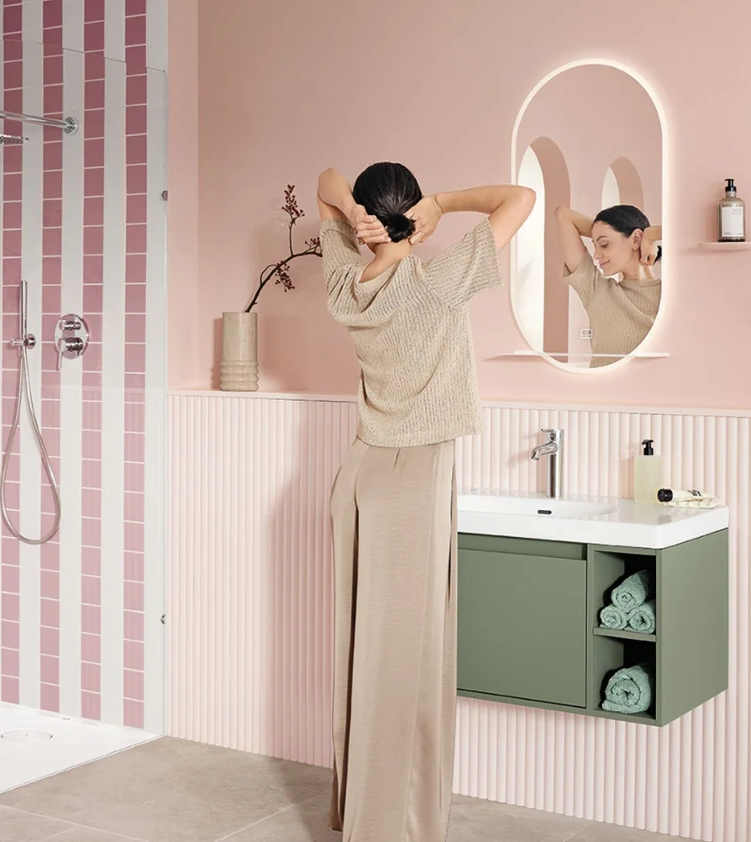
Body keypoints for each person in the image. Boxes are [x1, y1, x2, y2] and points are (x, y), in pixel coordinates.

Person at [315, 162, 535, 842]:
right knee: (404, 665)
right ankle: (390, 828)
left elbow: (324, 179)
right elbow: (521, 197)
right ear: (410, 209)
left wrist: (354, 217)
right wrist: (445, 201)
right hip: (414, 481)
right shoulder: (440, 282)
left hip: (361, 475)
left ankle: (367, 815)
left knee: (366, 655)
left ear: (366, 216)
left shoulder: (345, 284)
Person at [552, 204, 663, 367]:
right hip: (602, 392)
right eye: (595, 246)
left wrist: (650, 234)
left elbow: (696, 230)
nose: (596, 255)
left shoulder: (672, 295)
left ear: (635, 239)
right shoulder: (596, 290)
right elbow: (563, 215)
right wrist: (601, 232)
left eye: (604, 244)